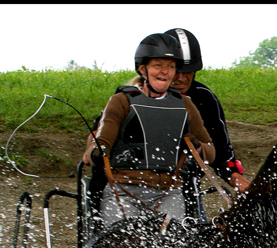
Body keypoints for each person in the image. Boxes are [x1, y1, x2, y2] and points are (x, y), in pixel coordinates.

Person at [84, 32, 216, 227]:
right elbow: (100, 141)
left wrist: (198, 148)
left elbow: (210, 151)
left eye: (170, 67)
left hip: (169, 192)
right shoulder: (121, 101)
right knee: (124, 244)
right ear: (142, 69)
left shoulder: (185, 105)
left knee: (174, 246)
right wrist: (97, 151)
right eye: (158, 65)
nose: (165, 72)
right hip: (123, 190)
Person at [164, 28, 249, 195]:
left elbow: (220, 149)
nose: (181, 78)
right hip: (137, 182)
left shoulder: (204, 98)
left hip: (186, 183)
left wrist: (236, 178)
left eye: (187, 71)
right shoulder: (130, 97)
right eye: (176, 71)